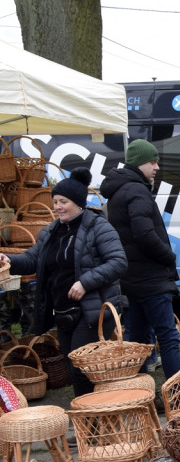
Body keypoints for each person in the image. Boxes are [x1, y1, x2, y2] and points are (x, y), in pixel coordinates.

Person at [0, 168, 127, 396]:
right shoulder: (50, 231)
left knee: (81, 367)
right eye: (55, 201)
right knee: (73, 366)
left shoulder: (99, 227)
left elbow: (118, 262)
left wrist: (85, 282)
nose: (57, 206)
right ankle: (91, 417)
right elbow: (32, 259)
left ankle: (92, 421)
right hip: (64, 310)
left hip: (93, 311)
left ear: (78, 202)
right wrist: (10, 259)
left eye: (63, 201)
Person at [99, 139, 180, 379]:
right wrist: (169, 256)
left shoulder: (118, 190)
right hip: (151, 278)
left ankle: (139, 390)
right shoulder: (136, 189)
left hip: (132, 278)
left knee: (137, 338)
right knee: (167, 337)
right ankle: (177, 394)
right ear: (138, 164)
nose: (157, 167)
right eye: (152, 162)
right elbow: (144, 233)